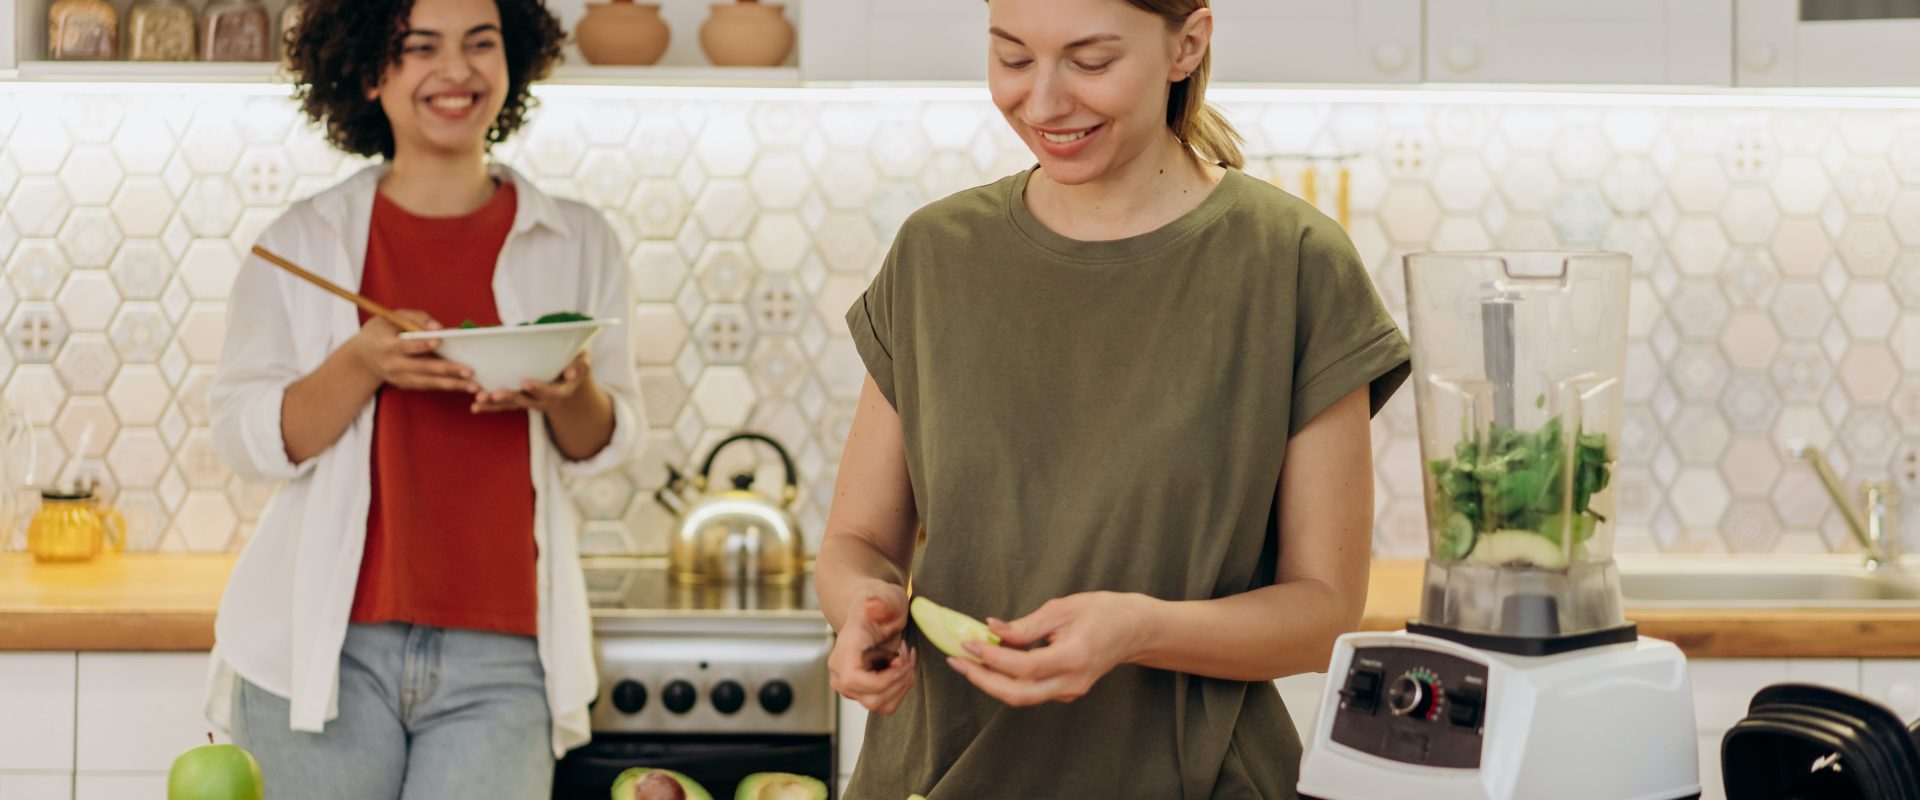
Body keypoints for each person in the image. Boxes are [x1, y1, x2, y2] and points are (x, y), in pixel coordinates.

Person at [815, 0, 1412, 796]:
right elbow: (858, 540)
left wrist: (1139, 631)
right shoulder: (935, 255)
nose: (1044, 102)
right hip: (937, 773)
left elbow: (1323, 613)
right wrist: (861, 606)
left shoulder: (1293, 264)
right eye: (1013, 58)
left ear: (1186, 45)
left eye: (1090, 62)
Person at [206, 0, 642, 795]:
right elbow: (243, 437)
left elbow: (607, 443)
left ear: (512, 63)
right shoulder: (302, 242)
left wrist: (567, 391)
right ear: (371, 71)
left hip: (505, 655)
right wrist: (363, 363)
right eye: (420, 47)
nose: (456, 71)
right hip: (323, 644)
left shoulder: (579, 240)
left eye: (482, 43)